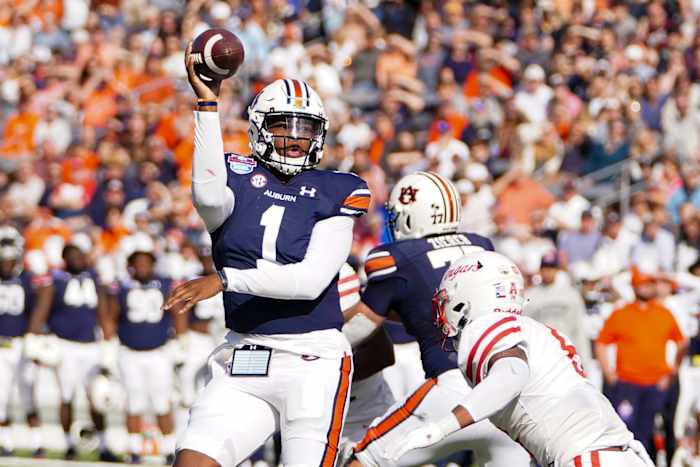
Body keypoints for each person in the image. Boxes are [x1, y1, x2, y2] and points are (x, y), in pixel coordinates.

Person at [165, 45, 370, 467]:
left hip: (311, 359)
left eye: (305, 128)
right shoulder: (236, 176)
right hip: (246, 351)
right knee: (192, 461)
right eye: (282, 125)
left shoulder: (338, 189)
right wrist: (207, 103)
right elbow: (205, 192)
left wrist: (225, 279)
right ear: (260, 127)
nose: (294, 138)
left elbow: (309, 281)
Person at [391, 250, 654, 467]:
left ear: (469, 295)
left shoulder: (485, 324)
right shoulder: (535, 331)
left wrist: (439, 428)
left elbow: (512, 375)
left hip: (588, 457)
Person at [345, 172, 529, 467]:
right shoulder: (482, 245)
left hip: (451, 389)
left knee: (364, 461)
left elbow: (359, 328)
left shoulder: (395, 258)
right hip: (508, 396)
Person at [25, 234, 119, 461]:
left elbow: (104, 314)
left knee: (96, 398)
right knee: (66, 397)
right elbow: (41, 311)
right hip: (65, 346)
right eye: (72, 256)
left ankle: (104, 445)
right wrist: (33, 340)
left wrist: (109, 344)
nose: (77, 259)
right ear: (65, 259)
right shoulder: (56, 281)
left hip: (91, 346)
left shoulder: (94, 279)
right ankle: (68, 445)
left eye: (80, 255)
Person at [595, 267, 688, 459]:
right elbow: (601, 343)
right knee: (627, 433)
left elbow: (681, 342)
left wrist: (672, 372)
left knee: (657, 432)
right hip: (628, 384)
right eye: (641, 283)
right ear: (634, 286)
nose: (645, 287)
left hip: (656, 384)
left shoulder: (664, 313)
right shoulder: (621, 313)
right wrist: (608, 373)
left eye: (649, 283)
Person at [106, 239, 186, 464]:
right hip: (130, 352)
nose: (142, 267)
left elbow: (177, 313)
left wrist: (181, 342)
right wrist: (109, 344)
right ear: (130, 266)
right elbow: (111, 316)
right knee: (133, 401)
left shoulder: (165, 284)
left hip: (159, 352)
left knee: (162, 400)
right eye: (137, 263)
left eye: (146, 263)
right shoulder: (121, 287)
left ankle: (169, 448)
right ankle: (134, 449)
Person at [0, 227, 51, 456]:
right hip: (1, 344)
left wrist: (34, 334)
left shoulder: (28, 279)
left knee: (28, 392)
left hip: (22, 342)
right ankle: (5, 442)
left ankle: (37, 443)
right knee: (1, 395)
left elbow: (42, 303)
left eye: (9, 260)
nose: (6, 264)